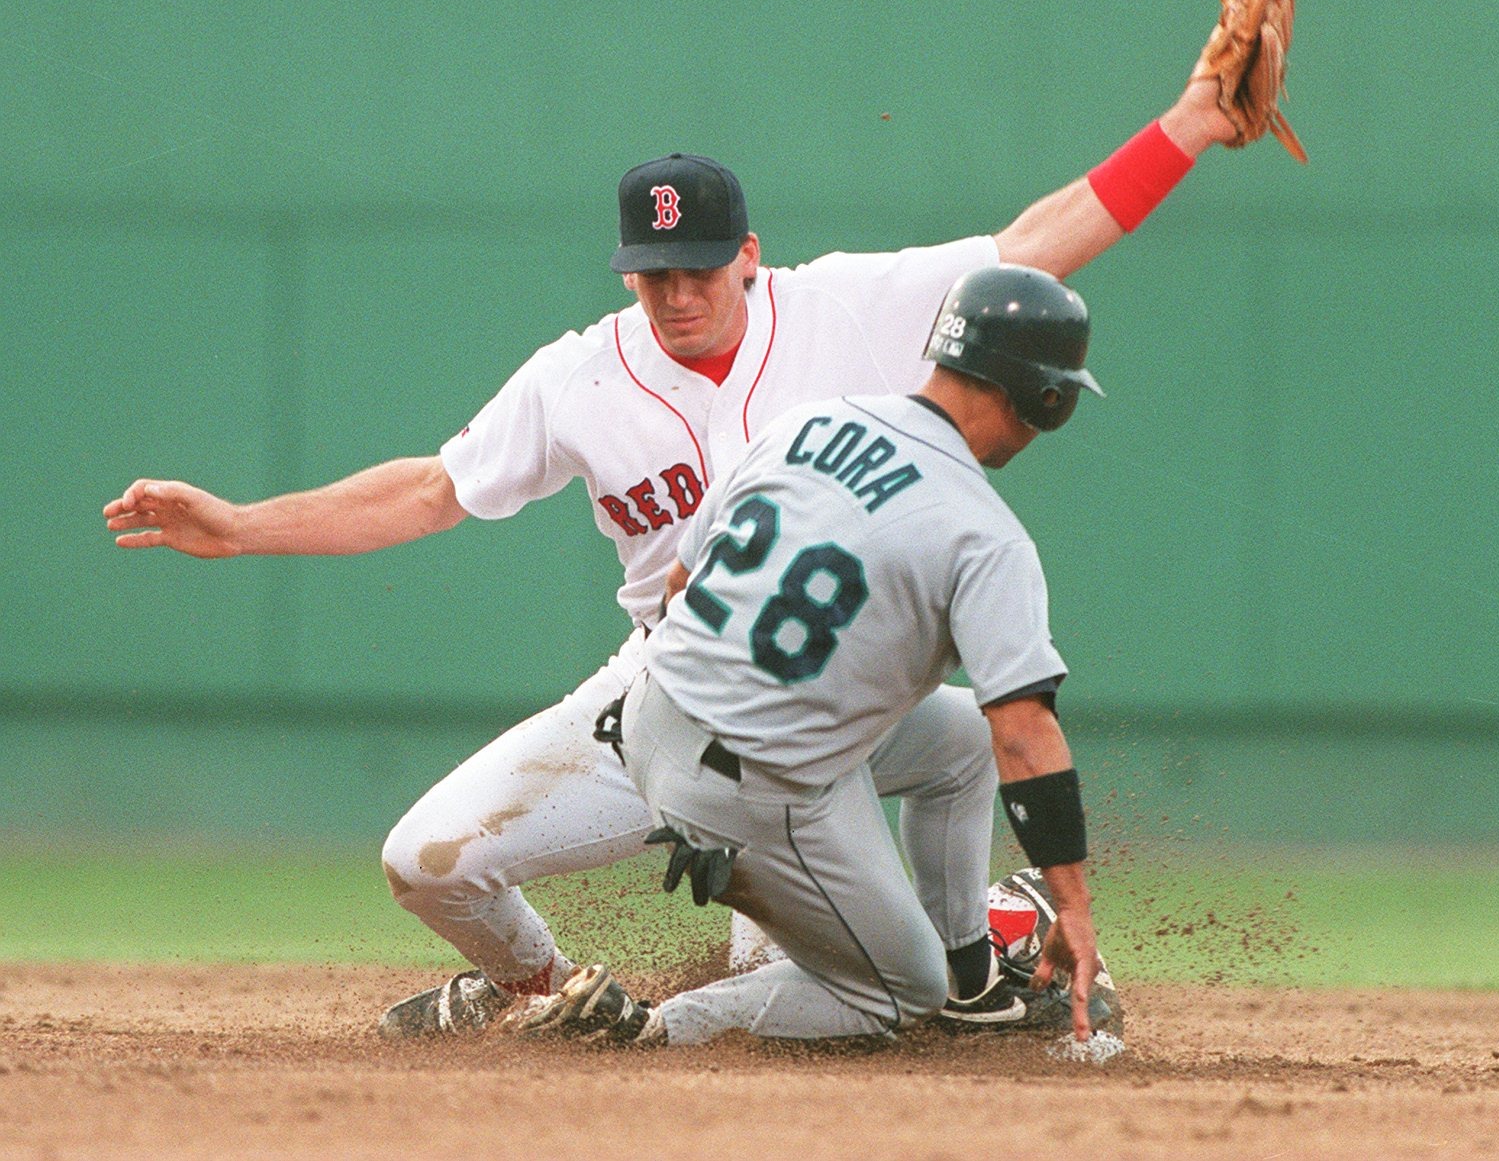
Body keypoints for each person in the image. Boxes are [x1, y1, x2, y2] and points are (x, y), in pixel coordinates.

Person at [104, 56, 1240, 1037]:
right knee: (427, 863)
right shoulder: (581, 375)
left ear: (750, 253)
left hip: (823, 697)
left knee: (810, 978)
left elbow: (1036, 249)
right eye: (653, 272)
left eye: (699, 265)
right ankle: (551, 1002)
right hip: (661, 680)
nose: (676, 291)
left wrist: (1189, 124)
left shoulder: (844, 306)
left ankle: (975, 948)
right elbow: (431, 493)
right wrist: (244, 528)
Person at [511, 264, 1119, 1054]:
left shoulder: (808, 425)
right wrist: (1072, 903)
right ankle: (655, 1029)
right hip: (751, 779)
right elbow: (1026, 732)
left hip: (650, 715)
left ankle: (972, 979)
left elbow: (677, 583)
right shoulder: (984, 532)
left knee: (960, 740)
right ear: (1047, 397)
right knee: (899, 990)